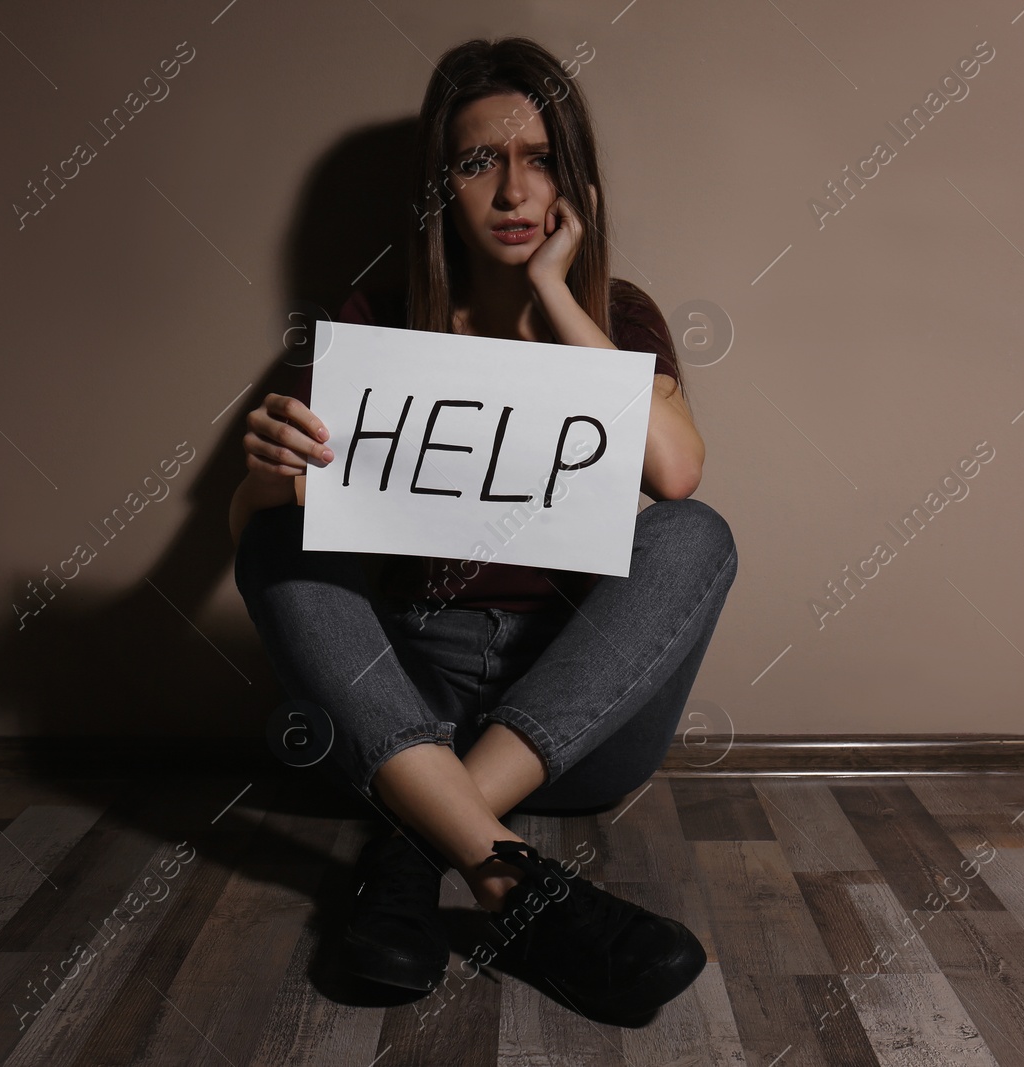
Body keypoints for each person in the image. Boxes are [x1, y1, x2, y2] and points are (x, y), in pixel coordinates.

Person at [229, 36, 737, 1027]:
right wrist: (262, 474)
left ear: (573, 179)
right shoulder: (377, 318)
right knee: (272, 540)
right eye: (478, 162)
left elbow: (674, 472)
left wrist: (556, 290)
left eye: (539, 158)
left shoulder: (617, 316)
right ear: (439, 185)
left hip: (575, 722)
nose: (511, 191)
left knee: (697, 534)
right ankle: (512, 884)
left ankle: (416, 837)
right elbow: (251, 530)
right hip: (404, 704)